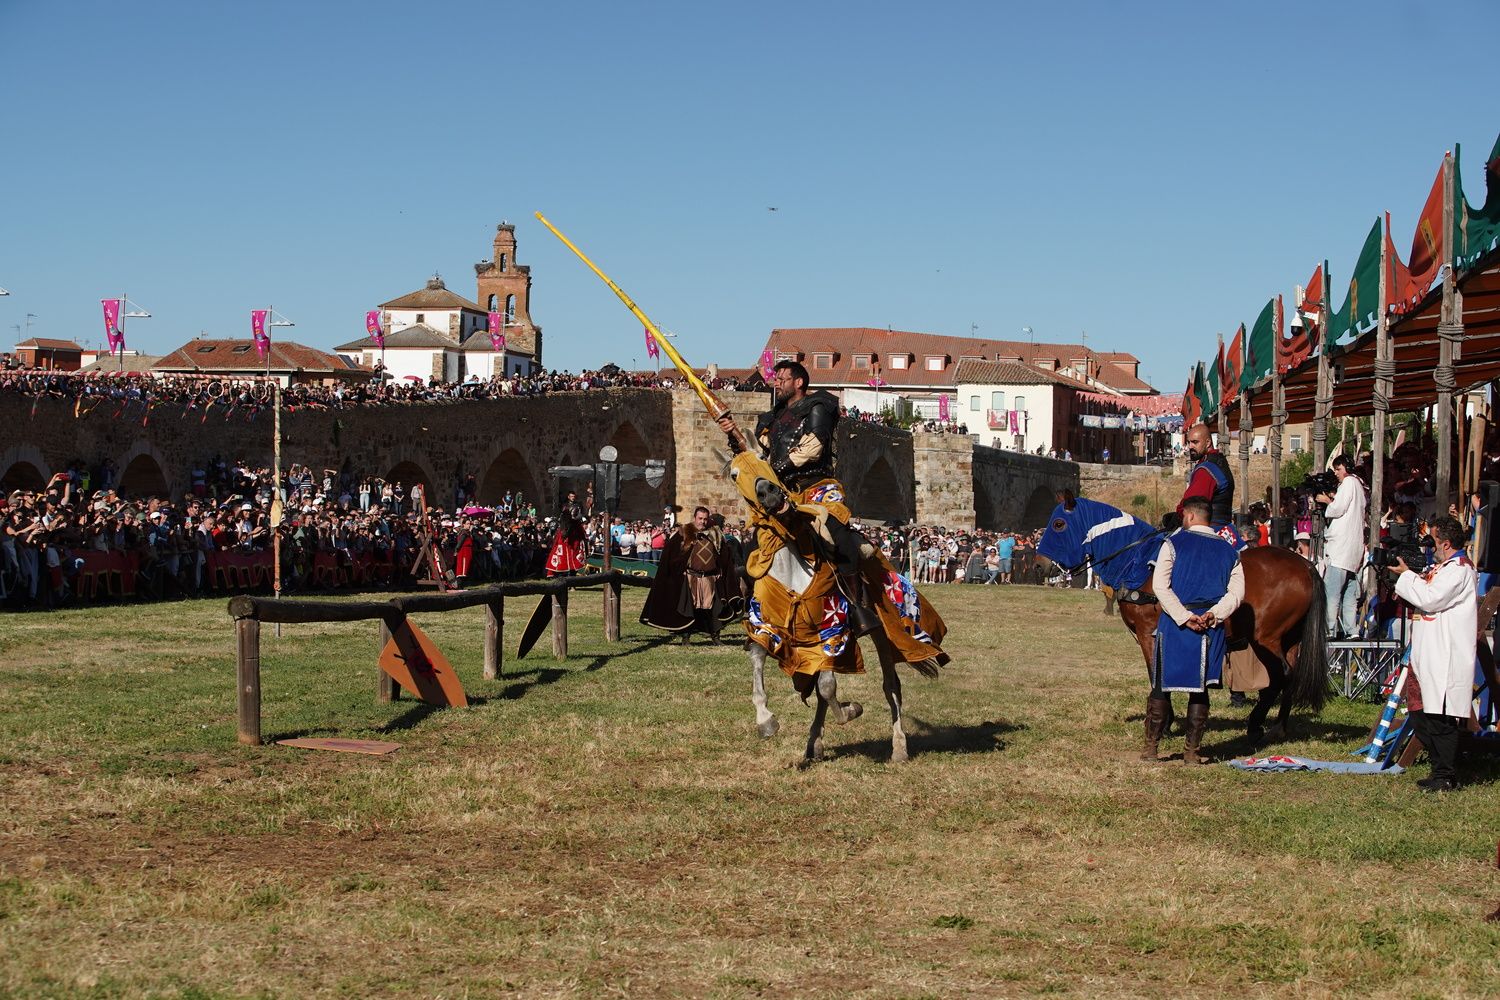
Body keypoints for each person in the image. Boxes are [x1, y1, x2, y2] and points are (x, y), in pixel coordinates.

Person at [1143, 497, 1245, 765]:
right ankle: (1191, 752)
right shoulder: (1229, 550)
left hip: (1176, 624)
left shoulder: (1173, 543)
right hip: (1210, 626)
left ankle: (1151, 749)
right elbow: (1237, 594)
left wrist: (1184, 616)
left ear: (1188, 516)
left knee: (1162, 686)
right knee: (1200, 691)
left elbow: (1160, 587)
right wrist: (1214, 615)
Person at [1388, 515, 1476, 792]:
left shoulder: (1459, 570)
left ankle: (1446, 774)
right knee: (1420, 713)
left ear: (1446, 543)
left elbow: (1431, 598)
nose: (1431, 547)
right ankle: (1440, 767)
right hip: (1429, 650)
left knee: (1441, 716)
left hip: (1445, 652)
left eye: (1434, 541)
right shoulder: (1445, 567)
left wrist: (1407, 576)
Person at [640, 505, 741, 643]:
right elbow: (670, 553)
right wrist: (677, 569)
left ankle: (715, 636)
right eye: (700, 518)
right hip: (690, 577)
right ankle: (686, 637)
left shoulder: (715, 534)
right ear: (695, 518)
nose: (702, 522)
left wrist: (720, 570)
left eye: (705, 519)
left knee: (712, 609)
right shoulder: (685, 532)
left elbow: (724, 556)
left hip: (709, 578)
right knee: (689, 609)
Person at [1318, 454, 1367, 638]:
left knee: (1332, 594)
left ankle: (1329, 629)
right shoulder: (1359, 486)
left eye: (1338, 469)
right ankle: (1351, 630)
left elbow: (1337, 509)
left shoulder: (1349, 482)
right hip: (1353, 552)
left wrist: (1327, 501)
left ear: (1345, 467)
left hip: (1341, 550)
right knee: (1349, 595)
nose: (1336, 473)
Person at [1178, 422, 1243, 548]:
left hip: (1209, 528)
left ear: (1208, 443)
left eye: (1195, 442)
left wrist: (1177, 515)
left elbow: (1191, 504)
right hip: (1226, 527)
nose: (1190, 446)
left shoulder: (1206, 470)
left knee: (1164, 547)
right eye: (1189, 442)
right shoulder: (1219, 461)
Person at [544, 489, 587, 576]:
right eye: (571, 496)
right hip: (565, 526)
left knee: (582, 539)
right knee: (558, 545)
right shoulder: (564, 505)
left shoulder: (578, 505)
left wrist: (578, 517)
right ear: (568, 497)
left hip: (575, 526)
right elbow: (562, 516)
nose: (573, 498)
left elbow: (579, 516)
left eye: (574, 497)